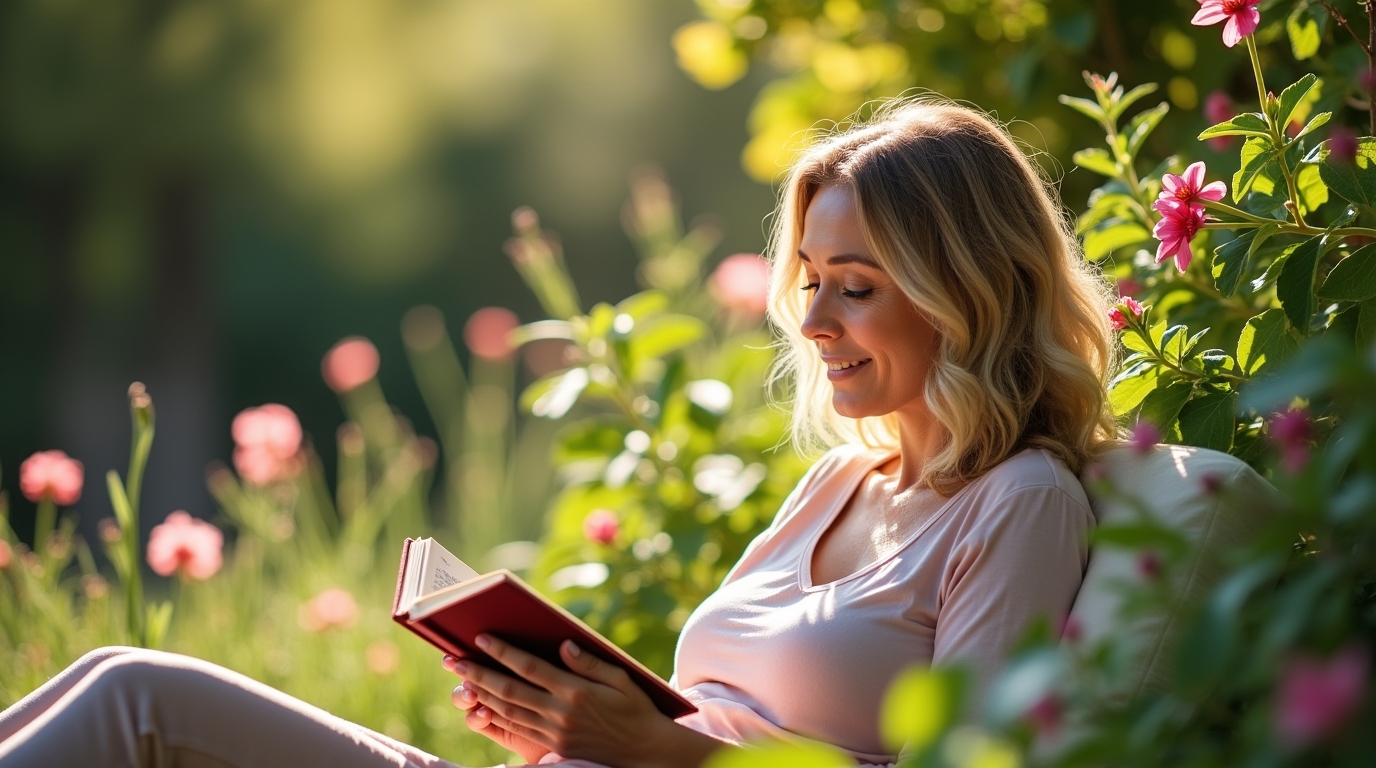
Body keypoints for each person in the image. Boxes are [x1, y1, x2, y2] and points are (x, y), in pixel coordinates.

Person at [0, 98, 1117, 768]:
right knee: (116, 670)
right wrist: (560, 710)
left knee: (131, 706)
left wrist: (658, 749)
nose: (812, 321)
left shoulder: (1020, 504)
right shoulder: (838, 482)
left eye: (857, 288)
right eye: (811, 281)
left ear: (960, 288)